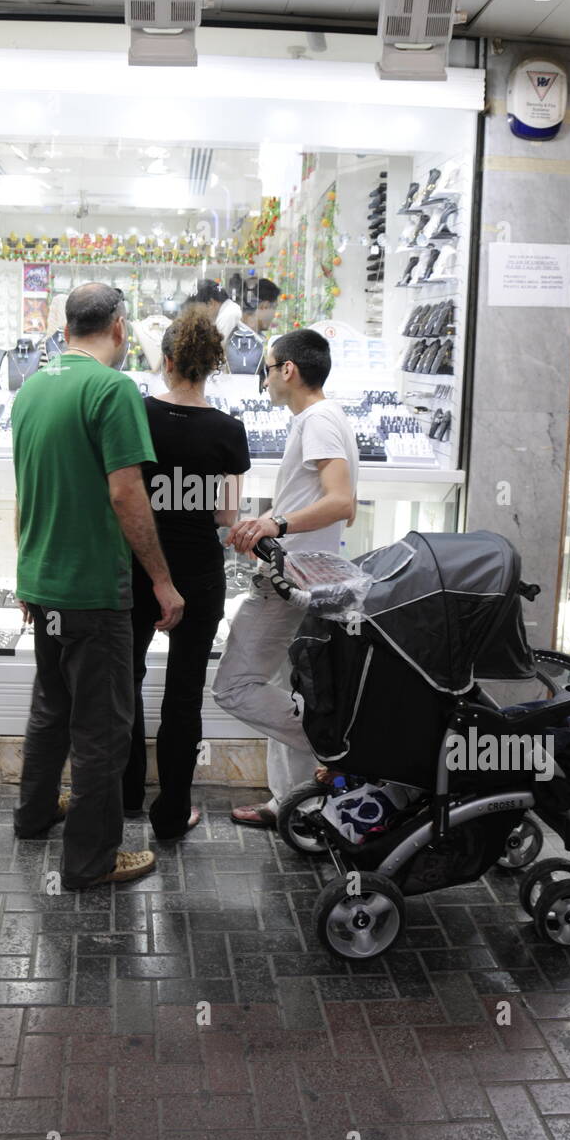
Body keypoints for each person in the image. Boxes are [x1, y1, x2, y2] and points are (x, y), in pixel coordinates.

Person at [11, 282, 184, 890]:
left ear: (65, 330)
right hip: (94, 590)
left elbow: (27, 489)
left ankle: (33, 813)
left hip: (44, 580)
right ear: (118, 327)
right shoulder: (112, 390)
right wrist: (161, 581)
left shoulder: (31, 388)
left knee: (50, 707)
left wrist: (26, 570)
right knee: (103, 731)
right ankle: (90, 860)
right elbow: (125, 492)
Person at [213, 328, 359, 827]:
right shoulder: (328, 416)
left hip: (290, 581)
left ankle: (340, 748)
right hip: (301, 575)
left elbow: (342, 501)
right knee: (288, 686)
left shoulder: (316, 420)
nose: (265, 377)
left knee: (234, 686)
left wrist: (277, 524)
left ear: (288, 371)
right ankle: (295, 802)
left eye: (268, 367)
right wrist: (272, 519)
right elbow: (335, 509)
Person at [123, 310, 250, 837]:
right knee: (183, 695)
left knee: (126, 680)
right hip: (199, 574)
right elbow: (227, 516)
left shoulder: (136, 416)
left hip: (136, 568)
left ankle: (127, 794)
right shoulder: (228, 431)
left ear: (167, 361)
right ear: (212, 366)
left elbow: (123, 495)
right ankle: (173, 812)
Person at [182, 279, 241, 345]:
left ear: (211, 303)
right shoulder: (228, 310)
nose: (198, 315)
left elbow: (219, 350)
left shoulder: (228, 316)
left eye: (197, 310)